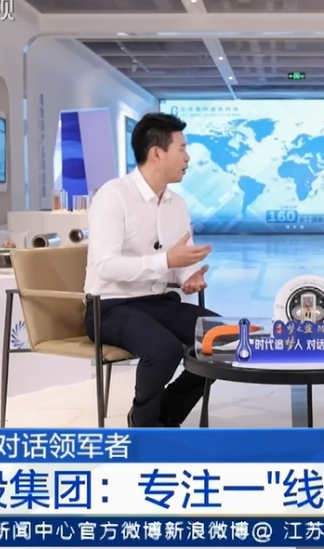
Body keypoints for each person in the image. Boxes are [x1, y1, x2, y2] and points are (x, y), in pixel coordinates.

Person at [84, 112, 217, 428]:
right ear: (157, 153)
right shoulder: (113, 196)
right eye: (182, 149)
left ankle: (164, 415)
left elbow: (177, 261)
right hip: (110, 307)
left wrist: (187, 277)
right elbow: (105, 266)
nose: (187, 158)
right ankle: (144, 428)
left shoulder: (177, 204)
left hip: (160, 303)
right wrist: (167, 261)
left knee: (222, 341)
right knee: (163, 349)